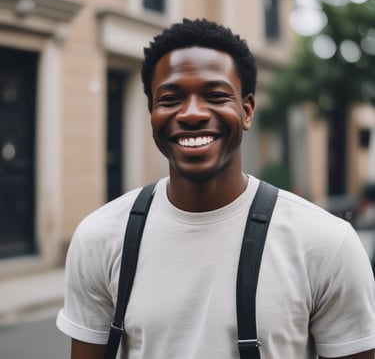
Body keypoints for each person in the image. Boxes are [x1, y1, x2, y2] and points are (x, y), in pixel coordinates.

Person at [56, 18, 375, 359]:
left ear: (247, 110)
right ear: (152, 113)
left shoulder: (326, 242)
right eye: (171, 98)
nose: (192, 113)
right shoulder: (100, 236)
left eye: (216, 96)